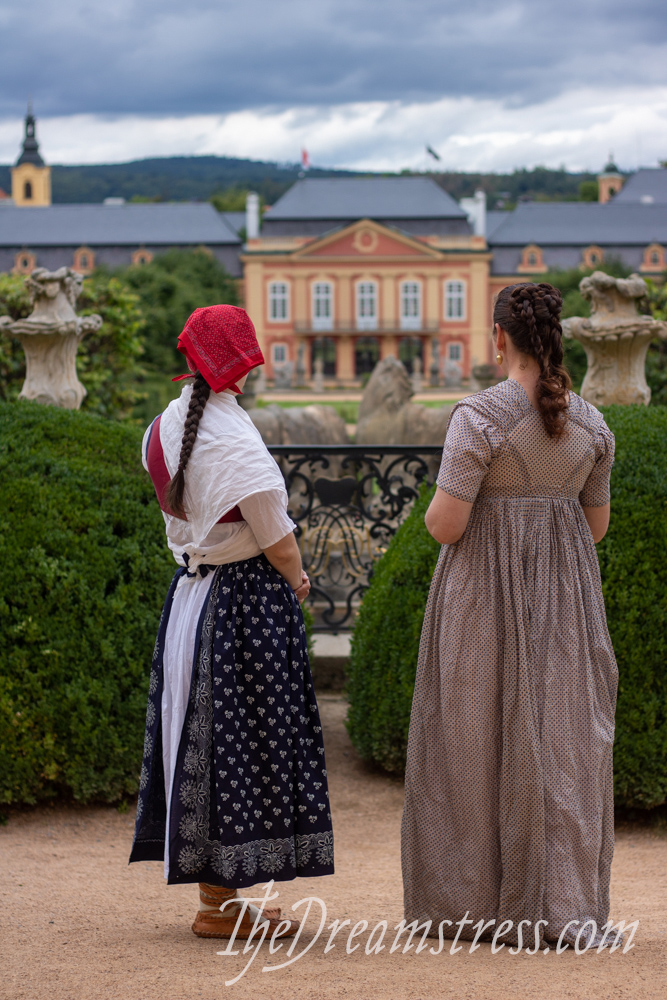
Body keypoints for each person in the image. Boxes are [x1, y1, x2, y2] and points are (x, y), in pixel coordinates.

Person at [401, 282, 617, 949]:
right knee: (563, 743)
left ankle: (472, 905)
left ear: (498, 337)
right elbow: (596, 528)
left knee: (472, 739)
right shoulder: (592, 424)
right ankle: (561, 903)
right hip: (565, 600)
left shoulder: (478, 417)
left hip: (482, 599)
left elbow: (445, 524)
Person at [129, 305, 334, 939]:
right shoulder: (238, 439)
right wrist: (298, 579)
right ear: (241, 367)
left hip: (190, 598)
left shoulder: (161, 427)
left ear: (189, 359)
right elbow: (276, 537)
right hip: (245, 604)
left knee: (203, 740)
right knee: (250, 744)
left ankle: (220, 899)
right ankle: (226, 901)